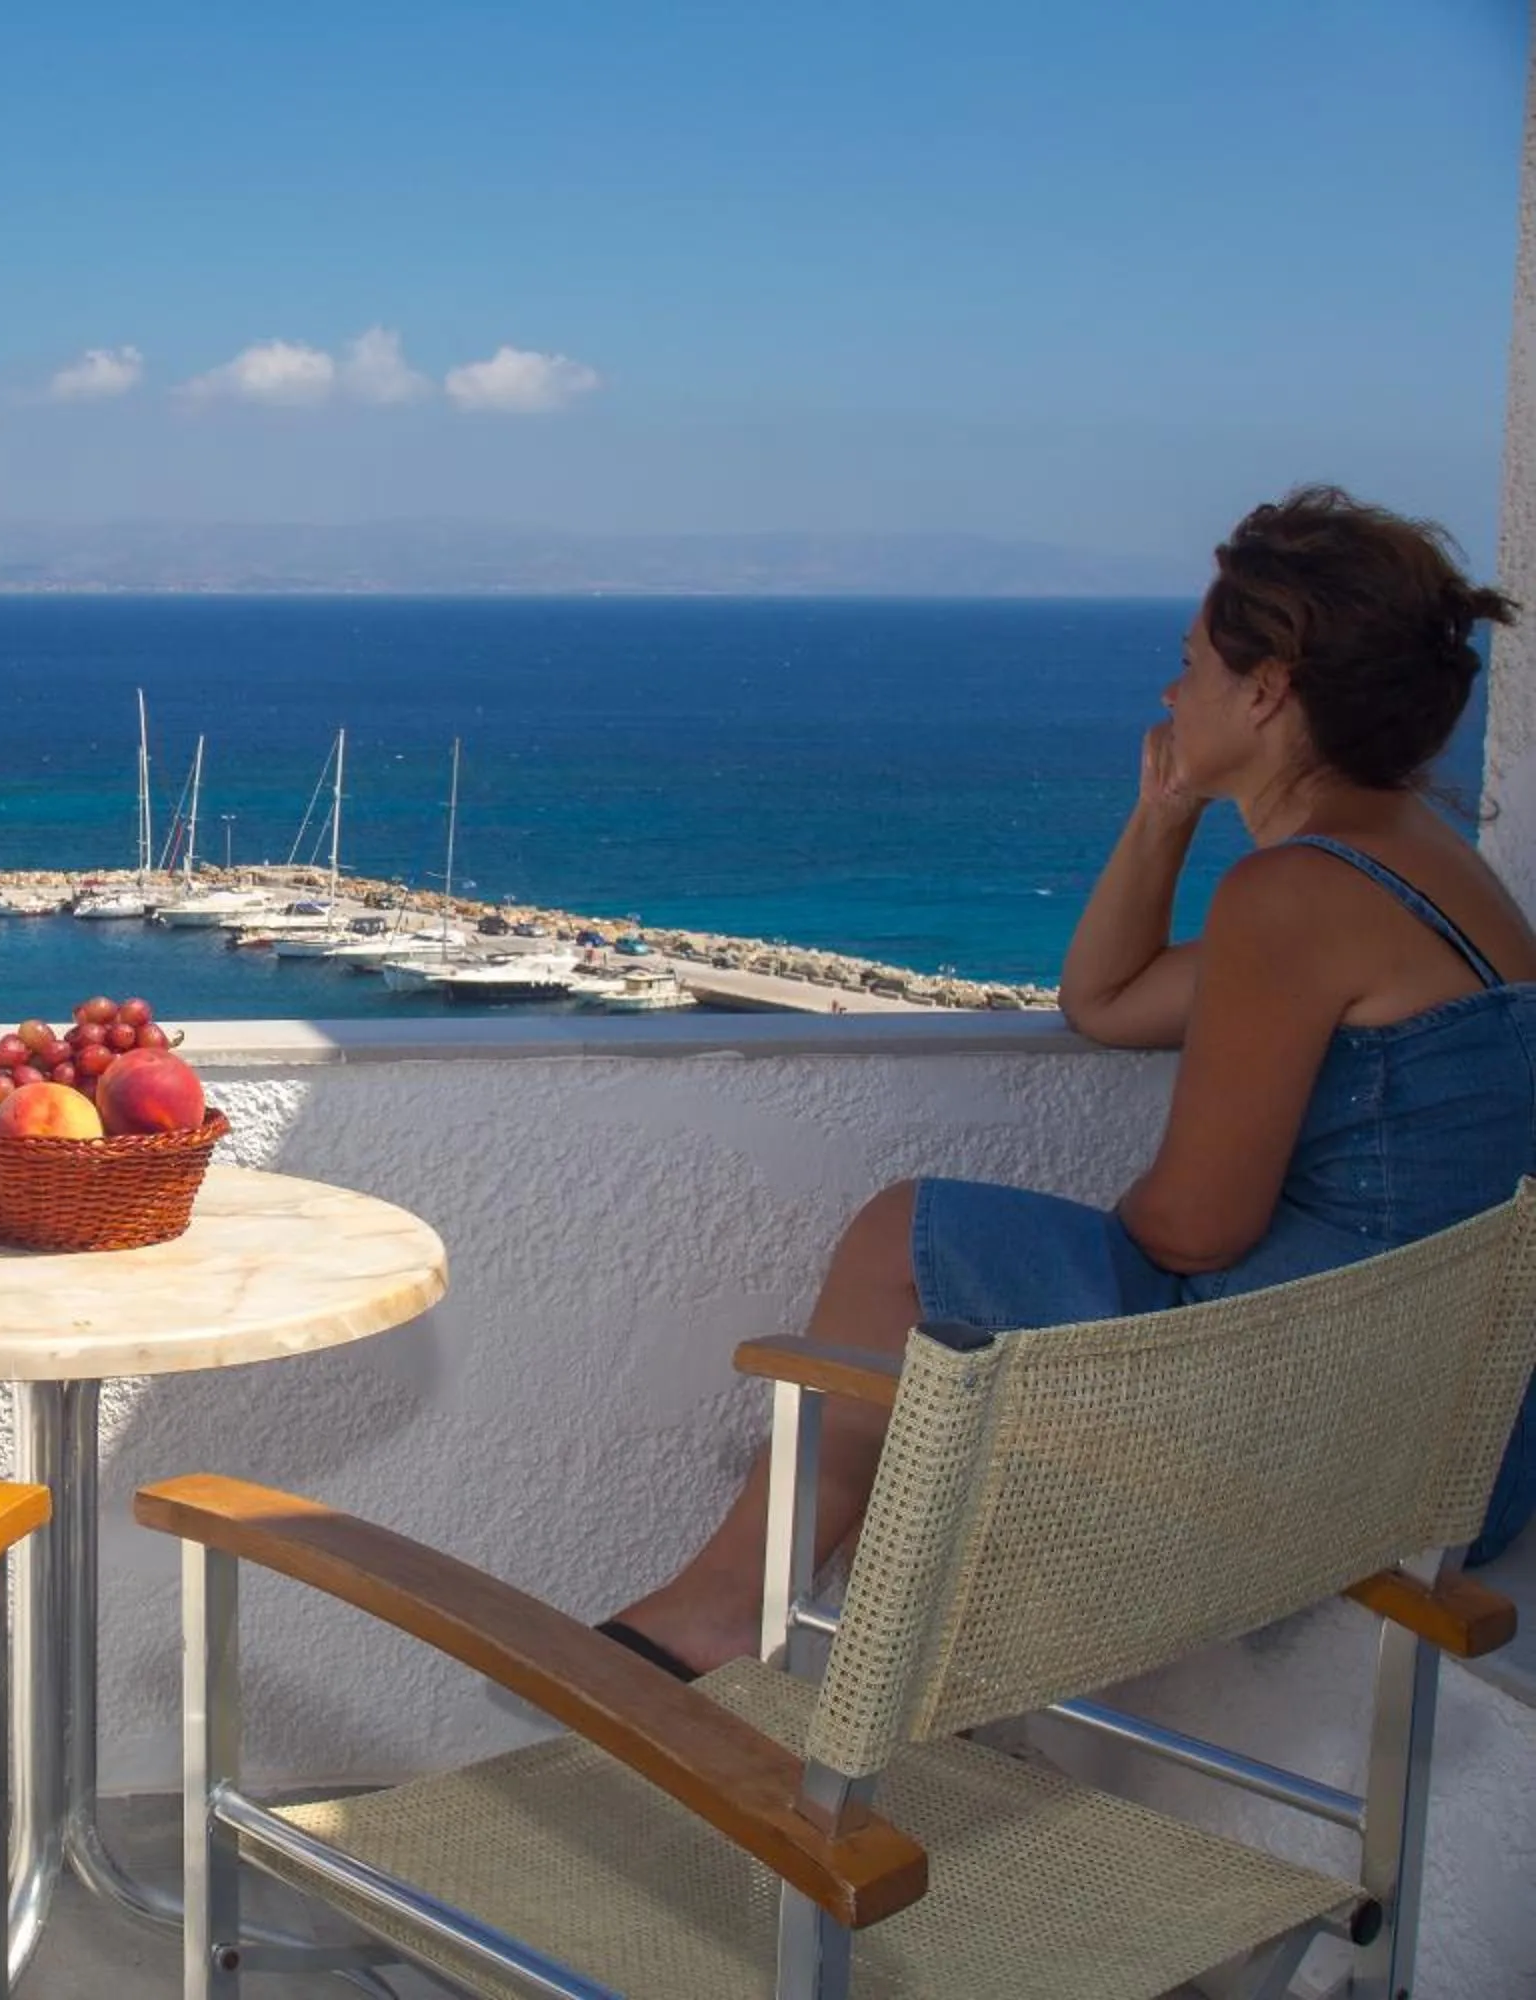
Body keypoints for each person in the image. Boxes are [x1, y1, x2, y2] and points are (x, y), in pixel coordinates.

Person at [602, 487, 1529, 1683]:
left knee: (907, 1237)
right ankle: (782, 1626)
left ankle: (723, 1612)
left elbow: (1197, 1225)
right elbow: (1108, 1000)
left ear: (1268, 689)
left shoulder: (1295, 895)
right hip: (1470, 1453)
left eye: (1190, 664)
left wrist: (1088, 1270)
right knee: (978, 1286)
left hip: (1337, 1441)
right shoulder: (1429, 869)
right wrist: (1166, 816)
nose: (1167, 693)